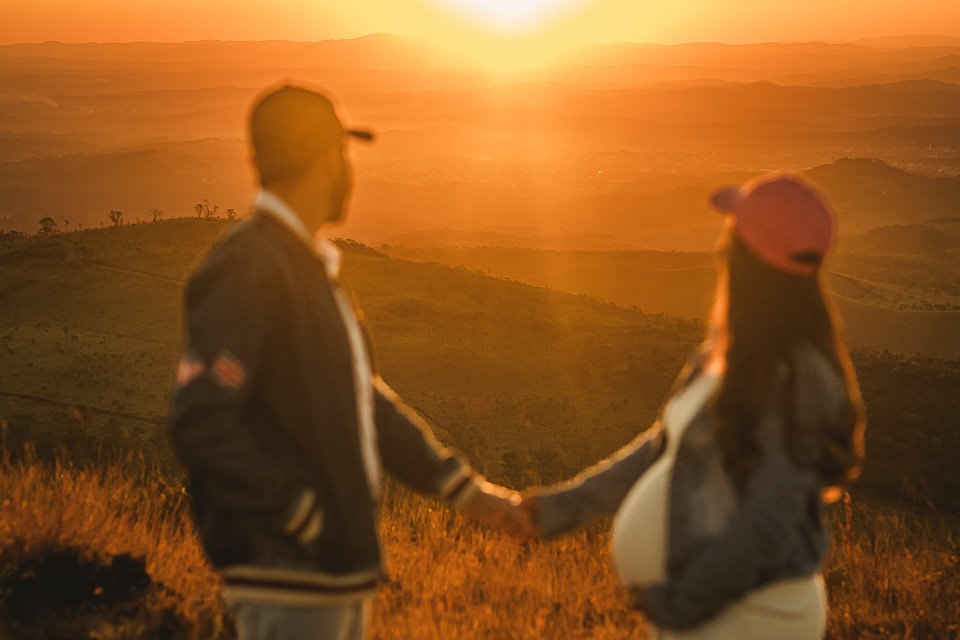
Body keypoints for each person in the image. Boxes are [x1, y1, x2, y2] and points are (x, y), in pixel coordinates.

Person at [168, 84, 534, 640]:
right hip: (288, 580)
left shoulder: (301, 268)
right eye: (345, 155)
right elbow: (201, 420)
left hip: (326, 578)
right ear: (327, 160)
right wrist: (301, 517)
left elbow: (365, 401)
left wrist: (467, 494)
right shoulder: (250, 267)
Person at [521, 172, 866, 639]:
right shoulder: (726, 356)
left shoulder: (798, 378)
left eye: (731, 236)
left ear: (743, 257)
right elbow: (659, 451)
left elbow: (769, 521)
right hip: (705, 610)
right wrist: (551, 512)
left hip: (752, 616)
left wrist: (681, 602)